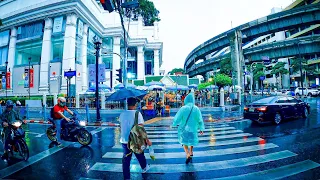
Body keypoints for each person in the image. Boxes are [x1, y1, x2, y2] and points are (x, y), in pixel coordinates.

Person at [119, 98, 152, 180]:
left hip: (125, 140)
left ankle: (126, 177)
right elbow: (141, 129)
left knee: (126, 160)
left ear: (127, 104)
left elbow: (120, 125)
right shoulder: (137, 114)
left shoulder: (122, 114)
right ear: (135, 105)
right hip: (136, 140)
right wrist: (147, 140)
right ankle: (144, 168)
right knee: (140, 154)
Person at [172, 93, 205, 164]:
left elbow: (177, 118)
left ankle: (187, 154)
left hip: (185, 129)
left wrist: (174, 124)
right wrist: (201, 128)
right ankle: (191, 151)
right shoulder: (196, 108)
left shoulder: (183, 108)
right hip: (193, 129)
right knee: (192, 141)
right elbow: (200, 119)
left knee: (184, 142)